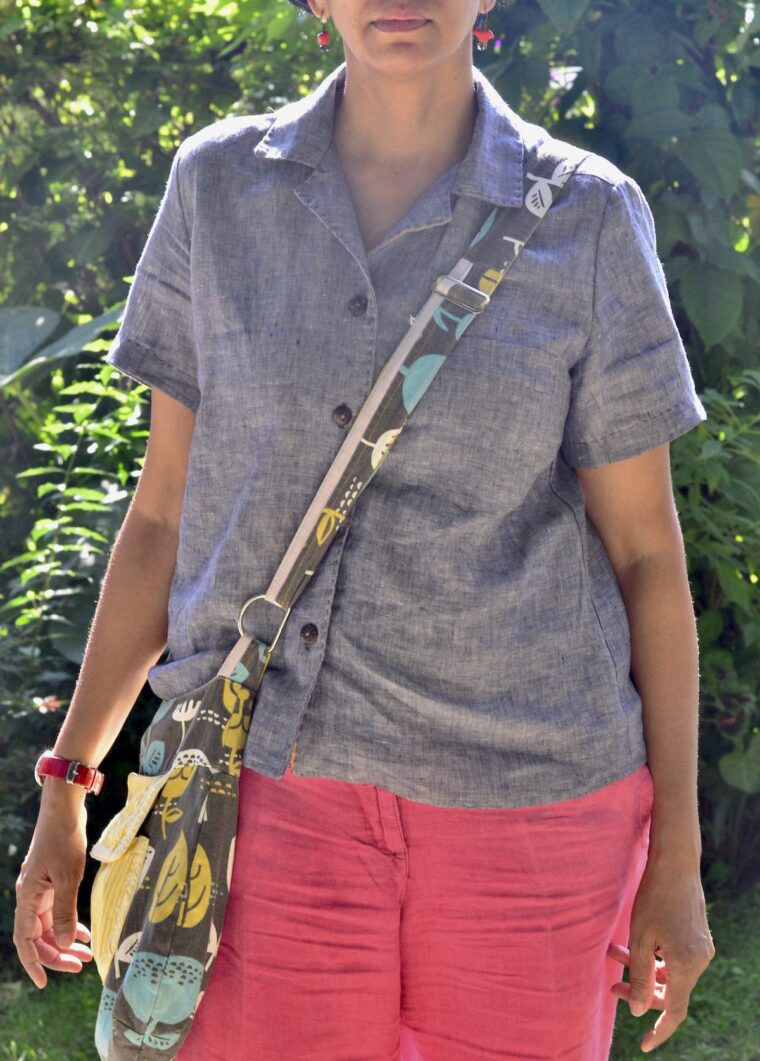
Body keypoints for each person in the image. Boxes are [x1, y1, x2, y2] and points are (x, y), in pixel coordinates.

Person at [14, 0, 717, 1057]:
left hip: (531, 814)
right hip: (266, 805)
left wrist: (677, 857)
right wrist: (69, 780)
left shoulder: (588, 217)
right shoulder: (217, 189)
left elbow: (646, 555)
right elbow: (162, 516)